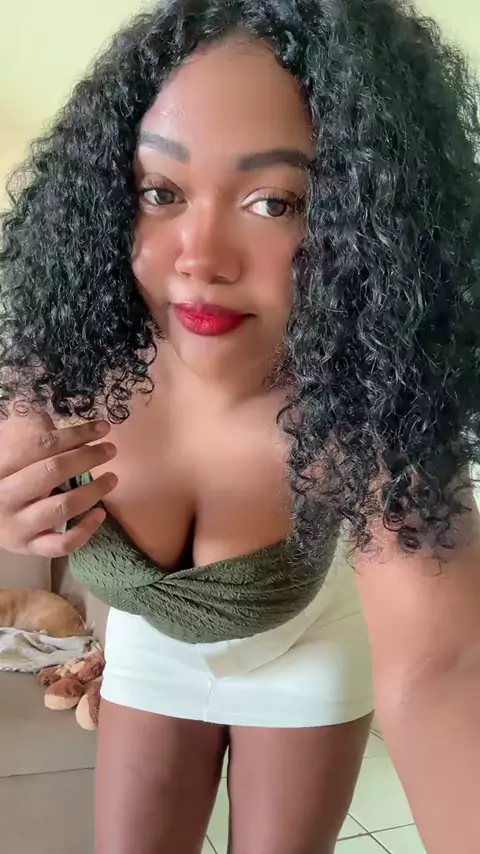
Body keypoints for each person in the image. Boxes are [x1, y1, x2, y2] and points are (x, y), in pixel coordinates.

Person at [1, 0, 480, 851]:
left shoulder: (370, 401)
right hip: (148, 657)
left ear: (366, 223)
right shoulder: (66, 356)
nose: (200, 257)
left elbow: (444, 668)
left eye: (275, 202)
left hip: (305, 657)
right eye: (161, 191)